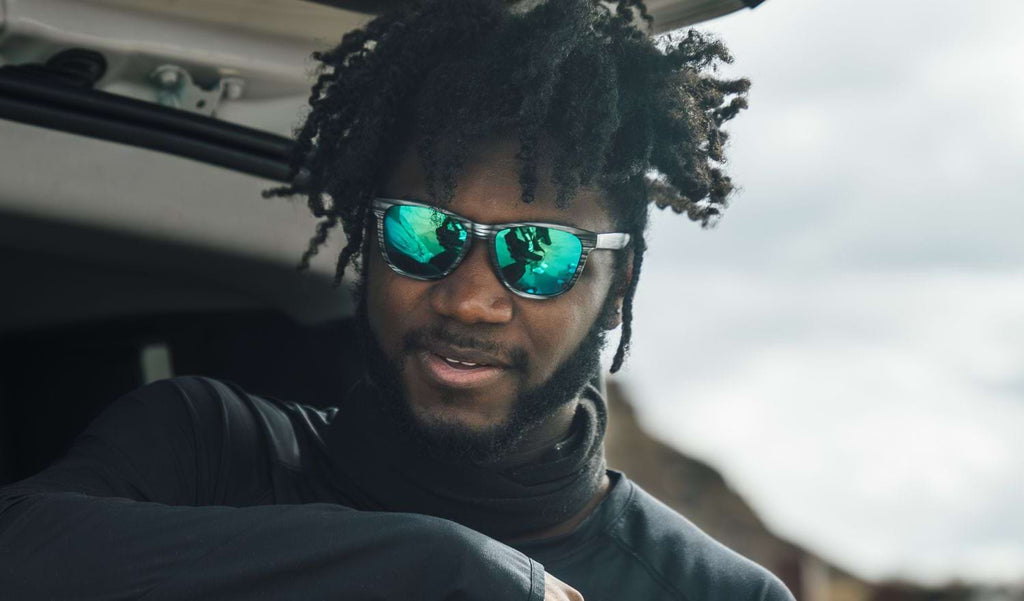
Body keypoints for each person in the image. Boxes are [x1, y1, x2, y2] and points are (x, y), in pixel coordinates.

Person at [0, 0, 795, 599]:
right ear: (367, 239)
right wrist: (441, 568)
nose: (471, 298)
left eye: (540, 251)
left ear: (616, 288)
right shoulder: (204, 448)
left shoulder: (715, 594)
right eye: (424, 231)